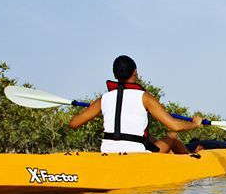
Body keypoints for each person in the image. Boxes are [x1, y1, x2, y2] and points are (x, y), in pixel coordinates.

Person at [69, 55, 202, 154]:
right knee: (172, 136)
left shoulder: (104, 99)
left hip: (108, 153)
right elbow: (175, 126)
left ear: (115, 74)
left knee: (151, 138)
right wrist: (194, 124)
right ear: (135, 72)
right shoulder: (145, 98)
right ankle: (191, 164)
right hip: (137, 155)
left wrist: (96, 107)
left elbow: (73, 123)